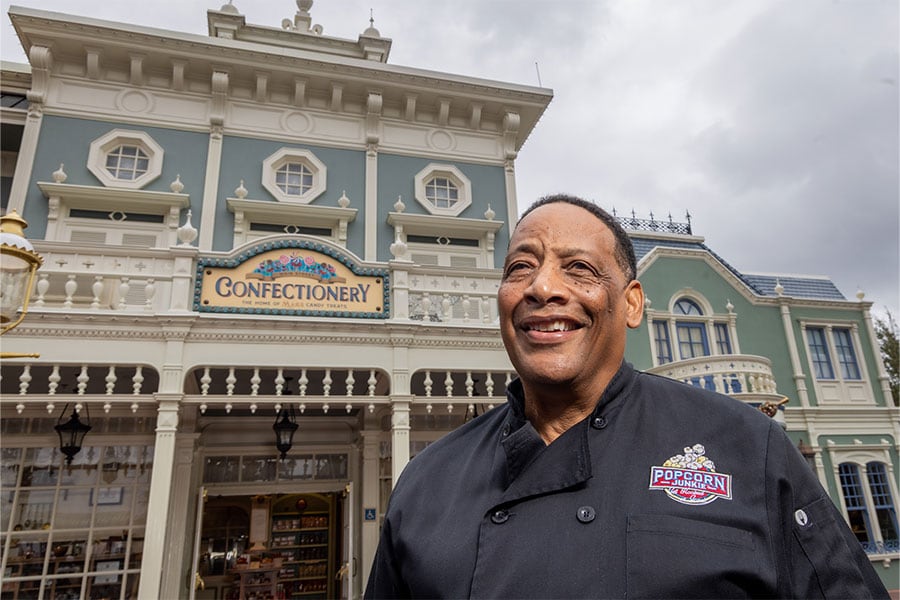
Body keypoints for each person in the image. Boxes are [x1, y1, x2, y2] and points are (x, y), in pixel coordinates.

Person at [365, 194, 890, 599]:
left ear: (632, 304)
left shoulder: (748, 449)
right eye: (520, 267)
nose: (541, 287)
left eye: (579, 269)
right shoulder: (427, 481)